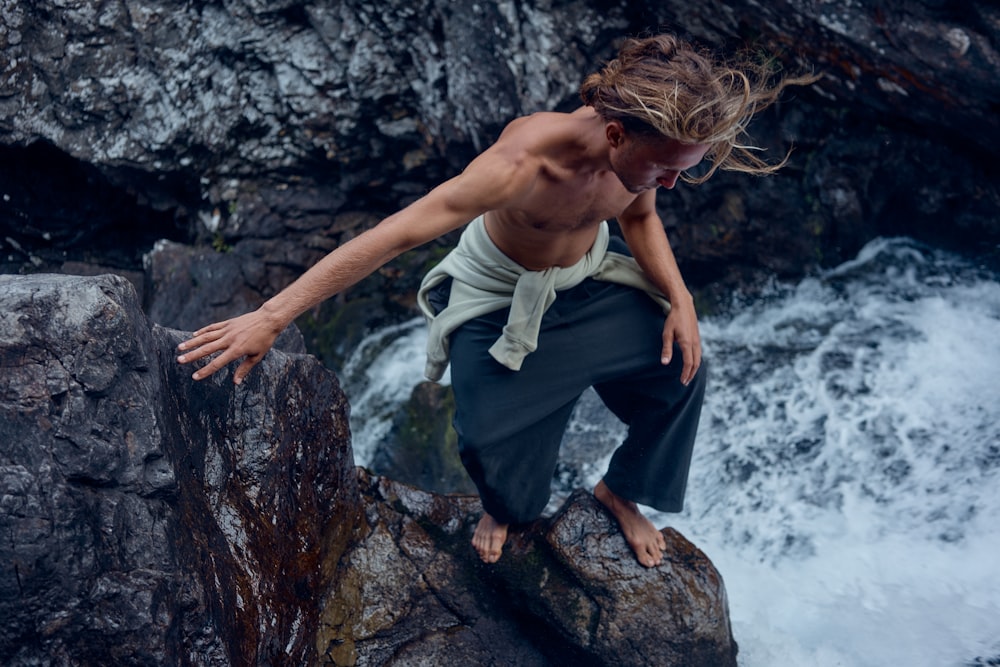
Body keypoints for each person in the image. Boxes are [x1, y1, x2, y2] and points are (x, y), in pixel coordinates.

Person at [177, 34, 813, 568]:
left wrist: (680, 298)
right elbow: (391, 236)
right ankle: (503, 507)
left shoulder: (642, 161)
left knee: (681, 369)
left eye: (684, 168)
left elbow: (641, 217)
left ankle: (620, 491)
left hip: (586, 281)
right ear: (615, 135)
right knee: (485, 440)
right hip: (497, 293)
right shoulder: (520, 165)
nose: (674, 182)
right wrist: (272, 314)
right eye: (666, 169)